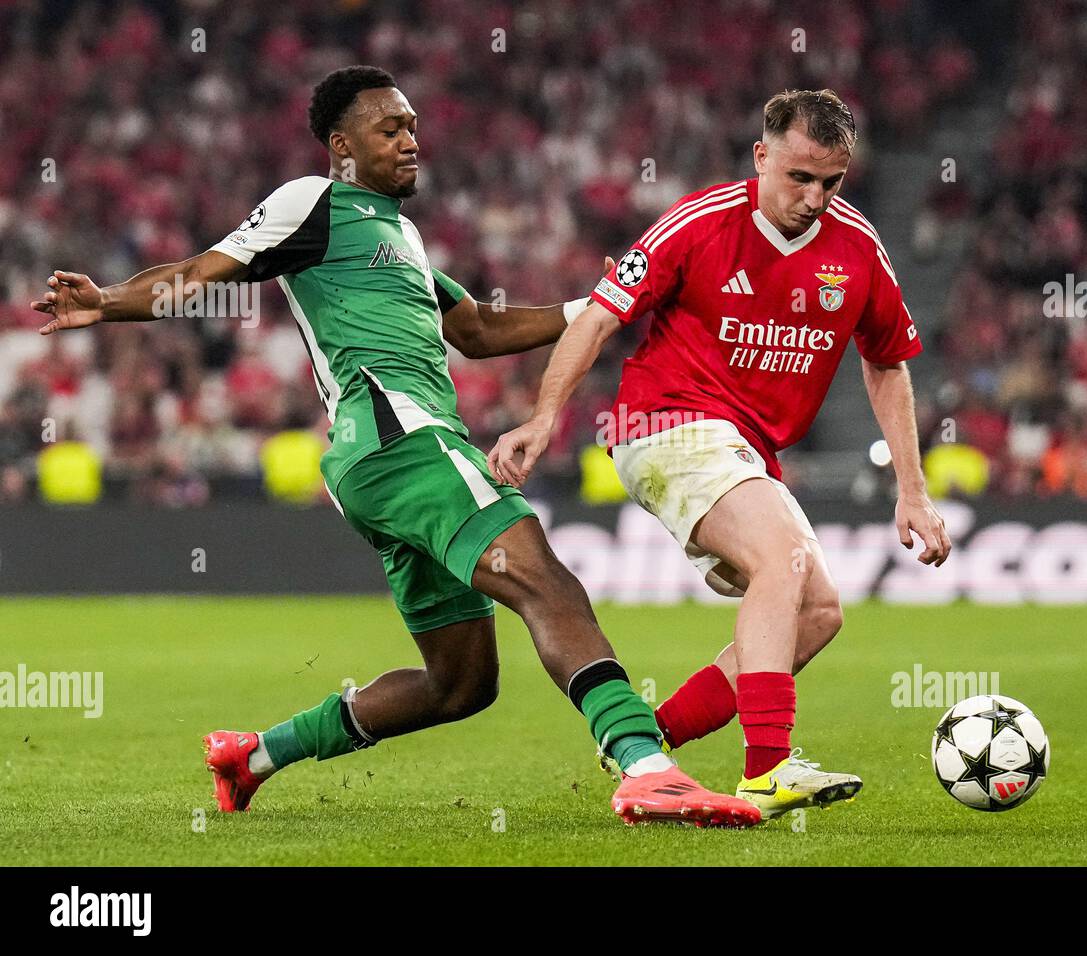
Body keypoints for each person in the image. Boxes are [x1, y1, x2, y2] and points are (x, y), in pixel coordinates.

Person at [32, 65, 759, 829]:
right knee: (545, 580)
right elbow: (199, 274)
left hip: (388, 463)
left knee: (461, 683)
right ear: (342, 146)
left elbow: (476, 329)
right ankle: (647, 768)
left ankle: (253, 756)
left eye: (413, 125)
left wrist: (601, 305)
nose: (412, 140)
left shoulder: (401, 234)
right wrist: (108, 302)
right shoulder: (311, 202)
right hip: (398, 439)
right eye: (391, 129)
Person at [489, 89, 951, 820]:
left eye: (831, 182)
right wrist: (546, 416)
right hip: (665, 421)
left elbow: (888, 361)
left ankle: (647, 743)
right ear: (762, 156)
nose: (814, 198)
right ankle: (768, 768)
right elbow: (602, 315)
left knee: (820, 611)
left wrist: (912, 490)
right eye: (799, 177)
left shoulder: (858, 245)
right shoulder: (700, 222)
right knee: (782, 558)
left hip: (745, 449)